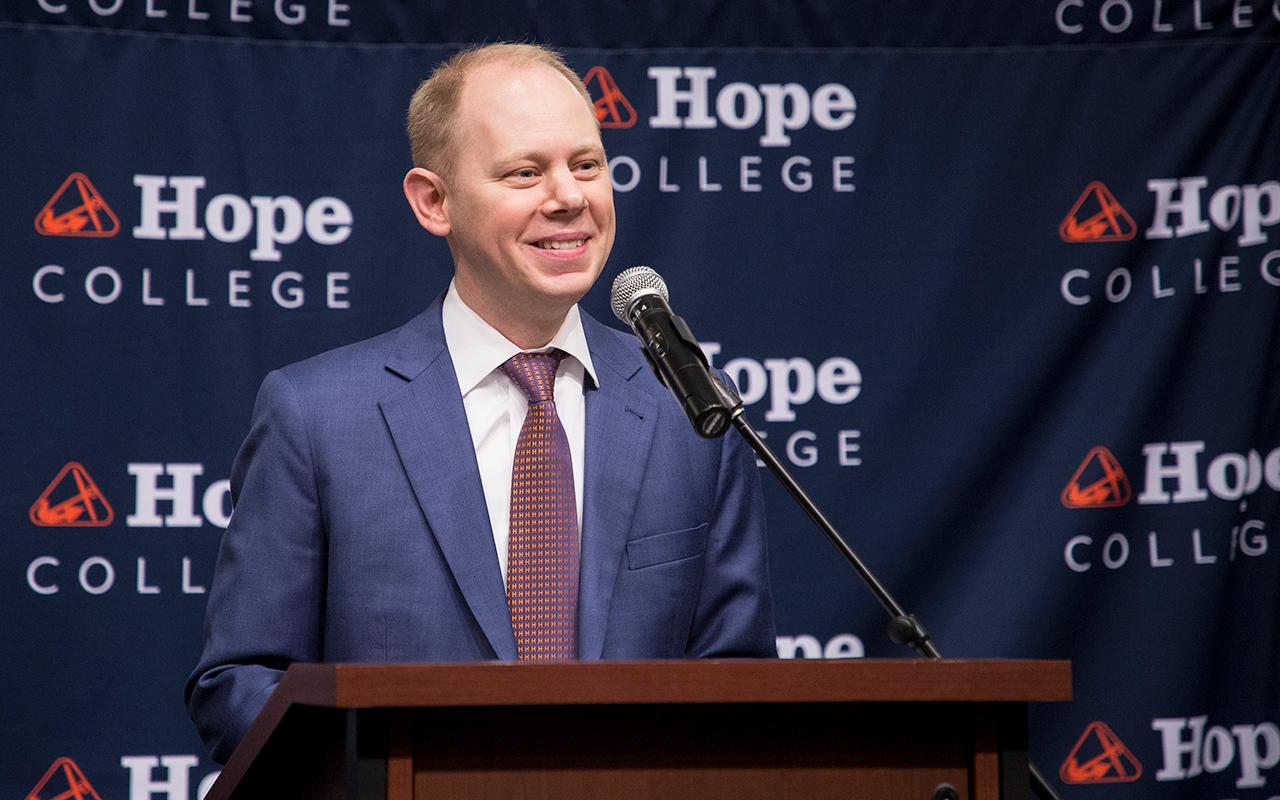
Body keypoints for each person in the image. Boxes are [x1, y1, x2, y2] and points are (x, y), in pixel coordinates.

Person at [185, 43, 775, 765]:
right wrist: (394, 766)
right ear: (435, 201)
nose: (568, 196)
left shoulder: (689, 409)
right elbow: (239, 683)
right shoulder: (318, 416)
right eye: (524, 172)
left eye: (586, 165)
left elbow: (737, 686)